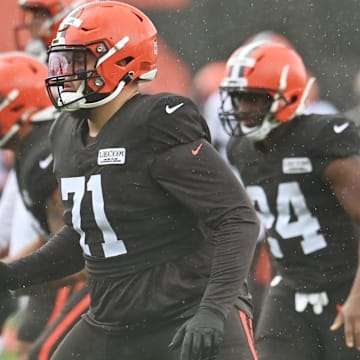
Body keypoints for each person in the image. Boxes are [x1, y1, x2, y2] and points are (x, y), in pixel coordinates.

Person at [0, 2, 260, 360]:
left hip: (184, 311)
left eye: (78, 61)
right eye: (61, 62)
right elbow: (85, 237)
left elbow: (237, 218)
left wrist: (213, 309)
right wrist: (10, 276)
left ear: (121, 61)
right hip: (112, 321)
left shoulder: (157, 123)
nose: (64, 73)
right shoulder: (64, 133)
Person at [218, 41, 360, 359]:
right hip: (291, 286)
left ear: (288, 96)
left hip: (346, 283)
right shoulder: (241, 150)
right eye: (239, 98)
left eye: (254, 99)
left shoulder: (322, 140)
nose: (243, 110)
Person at [0, 52, 88, 360]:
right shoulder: (32, 150)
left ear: (20, 105)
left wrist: (12, 278)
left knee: (44, 353)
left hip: (114, 270)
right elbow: (53, 238)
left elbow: (76, 254)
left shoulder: (43, 155)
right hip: (97, 264)